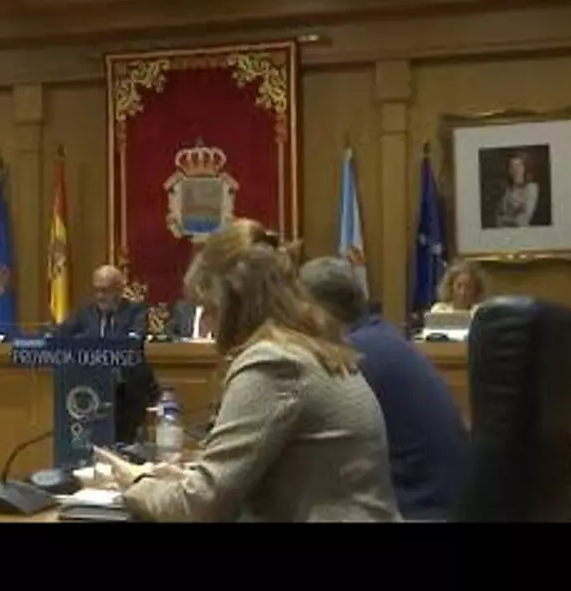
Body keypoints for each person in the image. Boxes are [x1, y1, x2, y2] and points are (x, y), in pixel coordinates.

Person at [93, 219, 400, 522]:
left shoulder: (274, 362)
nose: (209, 329)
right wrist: (183, 479)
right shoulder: (309, 346)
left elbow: (201, 507)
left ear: (234, 304)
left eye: (210, 310)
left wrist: (136, 483)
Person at [300, 256, 468, 520]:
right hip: (446, 504)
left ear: (316, 312)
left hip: (417, 510)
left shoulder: (353, 356)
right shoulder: (381, 337)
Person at [55, 264, 159, 443]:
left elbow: (132, 345)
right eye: (96, 290)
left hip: (127, 392)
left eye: (105, 291)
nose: (99, 296)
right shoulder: (85, 313)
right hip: (89, 386)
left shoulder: (135, 311)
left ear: (119, 290)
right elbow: (59, 335)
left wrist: (88, 343)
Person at [495, 152, 539, 228]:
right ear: (509, 171)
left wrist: (504, 219)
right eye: (512, 167)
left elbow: (522, 221)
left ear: (524, 168)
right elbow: (497, 221)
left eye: (519, 166)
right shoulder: (506, 191)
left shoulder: (532, 188)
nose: (516, 170)